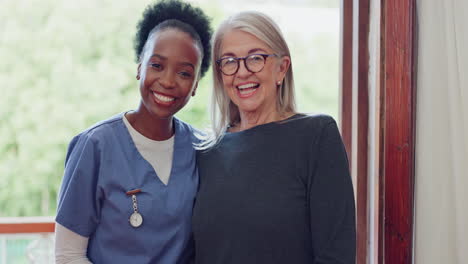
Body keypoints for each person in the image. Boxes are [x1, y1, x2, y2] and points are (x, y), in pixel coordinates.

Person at [192, 11, 356, 264]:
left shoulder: (316, 136)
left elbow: (336, 255)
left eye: (256, 58)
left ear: (282, 68)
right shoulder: (204, 150)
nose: (242, 72)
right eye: (229, 61)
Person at [54, 0, 212, 263]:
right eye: (157, 65)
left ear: (195, 85)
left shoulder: (201, 149)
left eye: (184, 73)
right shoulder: (95, 146)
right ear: (140, 66)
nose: (168, 81)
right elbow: (68, 255)